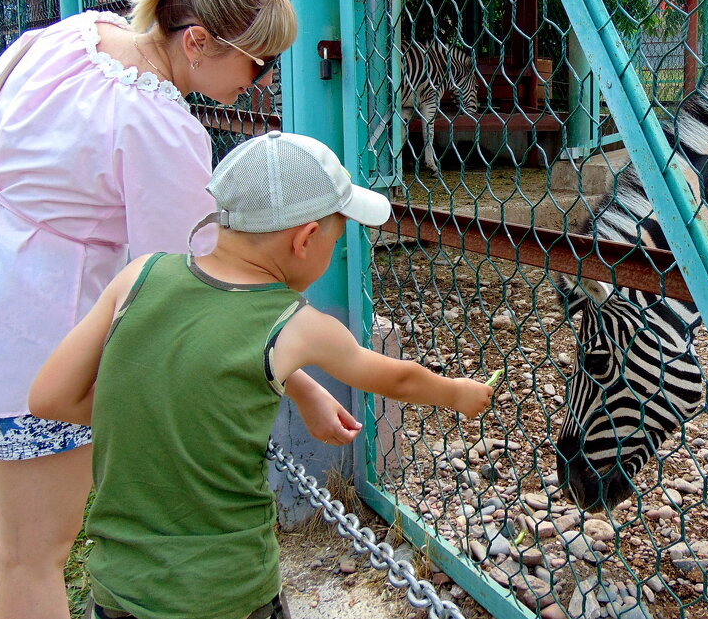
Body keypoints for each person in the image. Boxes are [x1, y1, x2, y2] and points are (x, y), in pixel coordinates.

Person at [0, 0, 355, 619]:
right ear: (198, 40)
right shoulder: (160, 126)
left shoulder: (74, 36)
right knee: (35, 556)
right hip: (44, 330)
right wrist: (301, 381)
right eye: (257, 62)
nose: (261, 81)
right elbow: (200, 290)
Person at [28, 131, 494, 619]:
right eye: (335, 241)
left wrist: (164, 416)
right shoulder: (299, 325)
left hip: (120, 588)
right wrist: (456, 393)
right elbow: (397, 379)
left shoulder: (139, 276)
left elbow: (49, 397)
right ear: (305, 239)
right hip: (229, 591)